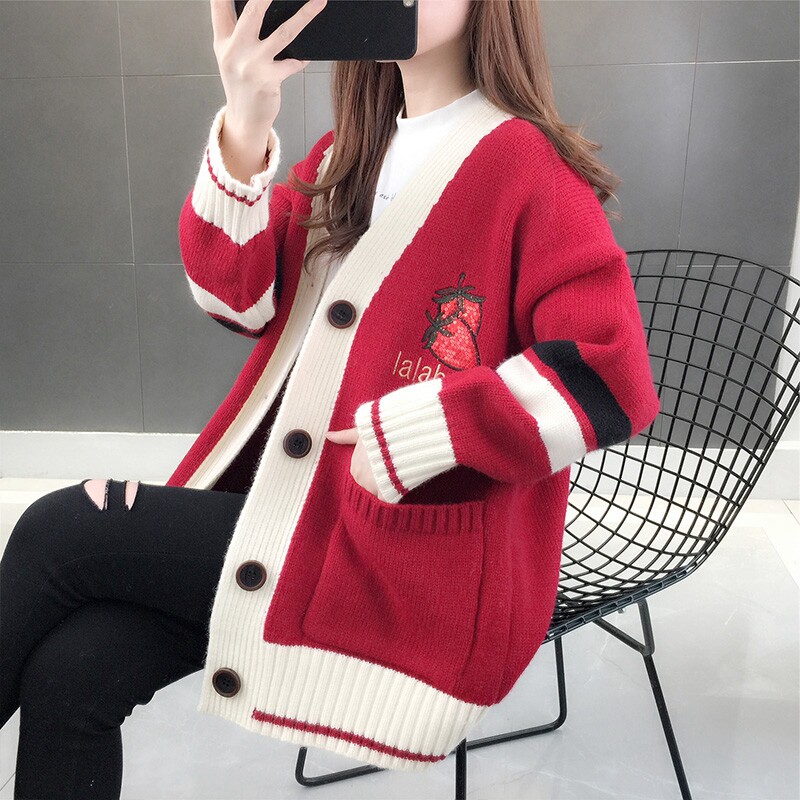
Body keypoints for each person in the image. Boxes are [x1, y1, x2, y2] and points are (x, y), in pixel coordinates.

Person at [0, 0, 661, 796]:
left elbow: (610, 375)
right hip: (295, 517)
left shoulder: (528, 167)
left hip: (398, 565)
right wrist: (247, 118)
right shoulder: (348, 155)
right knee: (72, 672)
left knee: (63, 528)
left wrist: (420, 433)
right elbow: (236, 299)